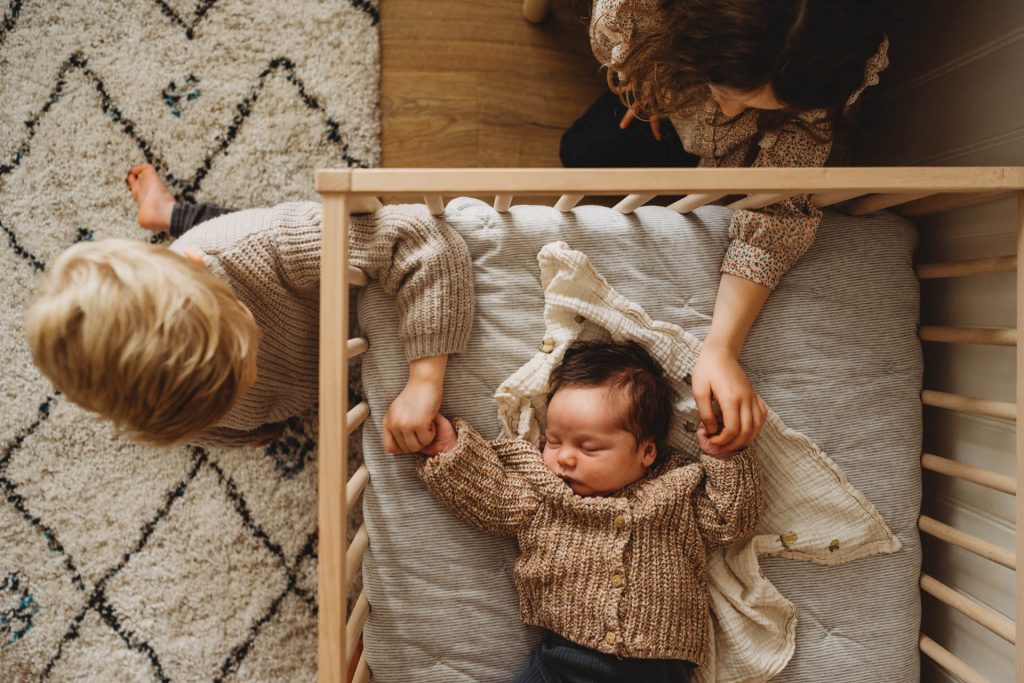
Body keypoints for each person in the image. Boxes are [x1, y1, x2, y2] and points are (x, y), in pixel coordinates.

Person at [562, 0, 892, 455]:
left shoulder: (820, 70)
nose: (735, 111)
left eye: (757, 105)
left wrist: (720, 348)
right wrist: (645, 79)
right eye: (727, 90)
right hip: (665, 90)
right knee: (578, 153)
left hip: (727, 150)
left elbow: (776, 209)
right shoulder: (636, 14)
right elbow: (624, 46)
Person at [23, 164, 474, 450]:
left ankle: (170, 213)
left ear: (200, 270)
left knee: (225, 221)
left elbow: (421, 238)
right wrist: (238, 435)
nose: (252, 377)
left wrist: (424, 379)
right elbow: (206, 431)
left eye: (241, 356)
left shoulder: (259, 246)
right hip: (291, 343)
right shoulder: (165, 404)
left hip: (291, 271)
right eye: (228, 393)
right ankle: (165, 216)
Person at [413, 340, 763, 682]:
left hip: (662, 668)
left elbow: (730, 521)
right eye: (553, 440)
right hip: (563, 661)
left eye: (589, 447)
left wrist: (724, 456)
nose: (564, 457)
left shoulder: (676, 489)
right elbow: (490, 494)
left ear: (647, 451)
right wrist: (448, 450)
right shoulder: (544, 494)